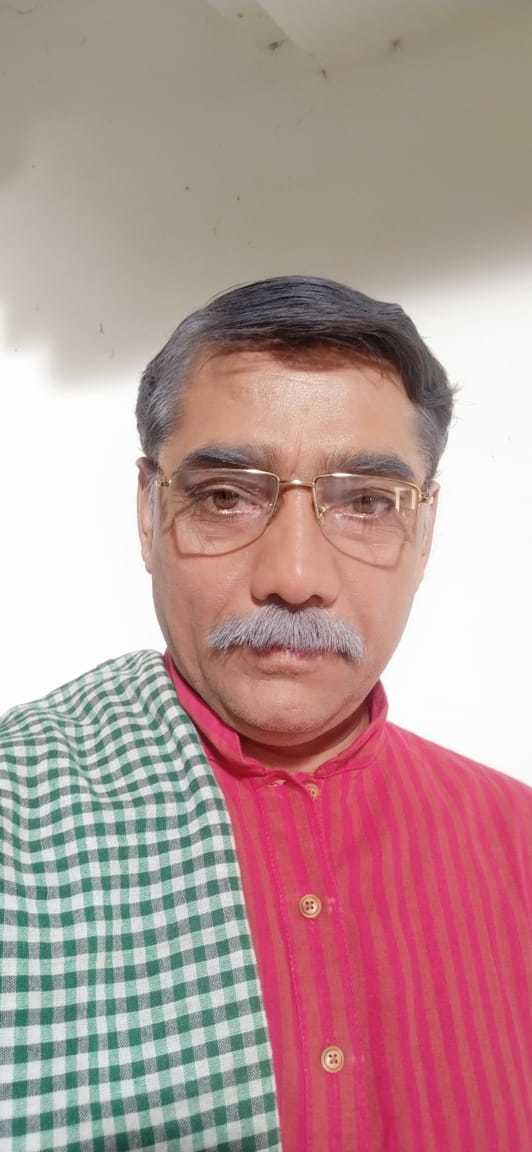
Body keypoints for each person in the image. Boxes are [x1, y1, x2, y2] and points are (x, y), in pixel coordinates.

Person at [1, 276, 530, 1152]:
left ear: (425, 530)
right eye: (225, 495)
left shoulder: (518, 844)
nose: (294, 576)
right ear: (147, 512)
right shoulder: (18, 813)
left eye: (366, 502)